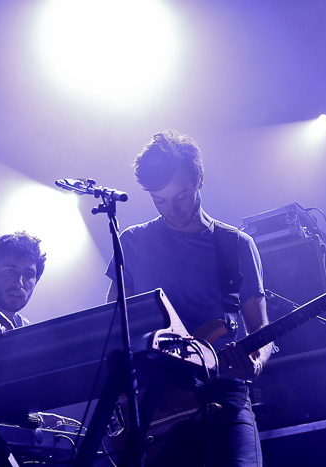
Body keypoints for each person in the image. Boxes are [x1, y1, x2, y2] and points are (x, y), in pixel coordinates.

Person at [106, 130, 271, 467]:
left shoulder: (236, 246)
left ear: (200, 179)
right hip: (153, 398)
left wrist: (255, 363)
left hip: (222, 390)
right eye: (159, 200)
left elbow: (260, 330)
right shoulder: (132, 243)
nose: (172, 209)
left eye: (181, 195)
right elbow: (110, 327)